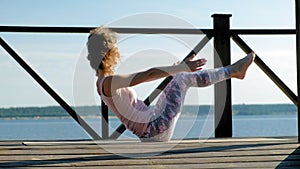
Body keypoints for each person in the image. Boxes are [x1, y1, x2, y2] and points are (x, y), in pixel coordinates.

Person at [87, 26, 255, 142]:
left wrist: (177, 70)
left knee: (179, 78)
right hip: (154, 129)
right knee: (183, 78)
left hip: (152, 129)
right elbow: (147, 75)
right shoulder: (109, 82)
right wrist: (182, 69)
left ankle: (232, 71)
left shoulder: (102, 82)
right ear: (110, 53)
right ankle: (233, 71)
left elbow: (149, 77)